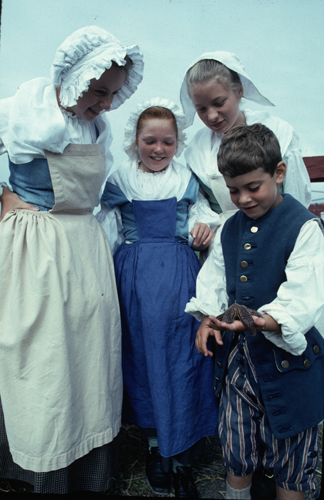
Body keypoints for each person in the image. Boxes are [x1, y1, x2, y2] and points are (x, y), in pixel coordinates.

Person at [0, 26, 143, 494]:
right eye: (98, 91)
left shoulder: (96, 126)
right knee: (45, 359)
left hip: (85, 246)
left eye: (112, 93)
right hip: (36, 247)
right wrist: (4, 196)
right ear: (75, 77)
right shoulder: (25, 111)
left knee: (88, 357)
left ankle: (89, 471)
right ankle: (41, 469)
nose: (105, 103)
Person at [185, 123, 324, 500]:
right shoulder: (230, 228)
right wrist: (208, 319)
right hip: (240, 361)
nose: (243, 199)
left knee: (291, 453)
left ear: (278, 173)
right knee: (237, 440)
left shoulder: (305, 227)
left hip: (290, 362)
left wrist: (266, 320)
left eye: (253, 187)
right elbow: (214, 279)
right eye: (234, 190)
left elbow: (304, 289)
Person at [96, 97, 219, 498]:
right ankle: (154, 445)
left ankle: (183, 450)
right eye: (150, 140)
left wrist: (204, 225)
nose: (158, 149)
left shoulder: (184, 176)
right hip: (135, 278)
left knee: (182, 356)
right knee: (144, 358)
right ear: (135, 140)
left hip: (180, 277)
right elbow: (108, 227)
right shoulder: (122, 178)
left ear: (177, 142)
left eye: (167, 142)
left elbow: (205, 211)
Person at [180, 51, 312, 229]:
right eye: (201, 109)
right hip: (225, 233)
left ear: (239, 91)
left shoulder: (278, 132)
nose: (211, 116)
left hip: (277, 228)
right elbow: (200, 204)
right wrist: (204, 225)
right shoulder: (197, 149)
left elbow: (297, 196)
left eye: (219, 103)